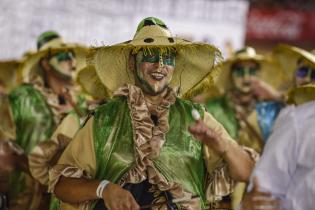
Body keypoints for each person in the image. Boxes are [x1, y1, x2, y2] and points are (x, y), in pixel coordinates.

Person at [49, 17, 257, 210]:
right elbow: (61, 185)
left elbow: (245, 171)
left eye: (168, 58)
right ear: (132, 62)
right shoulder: (104, 120)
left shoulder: (196, 117)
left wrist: (222, 145)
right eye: (150, 55)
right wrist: (104, 188)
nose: (160, 65)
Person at [0, 31, 88, 210]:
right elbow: (5, 147)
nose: (71, 61)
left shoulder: (80, 102)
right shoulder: (22, 97)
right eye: (63, 56)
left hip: (68, 201)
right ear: (46, 64)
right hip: (26, 200)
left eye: (71, 55)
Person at [242, 46, 315, 210]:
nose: (307, 78)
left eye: (314, 74)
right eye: (303, 71)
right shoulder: (281, 114)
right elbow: (265, 188)